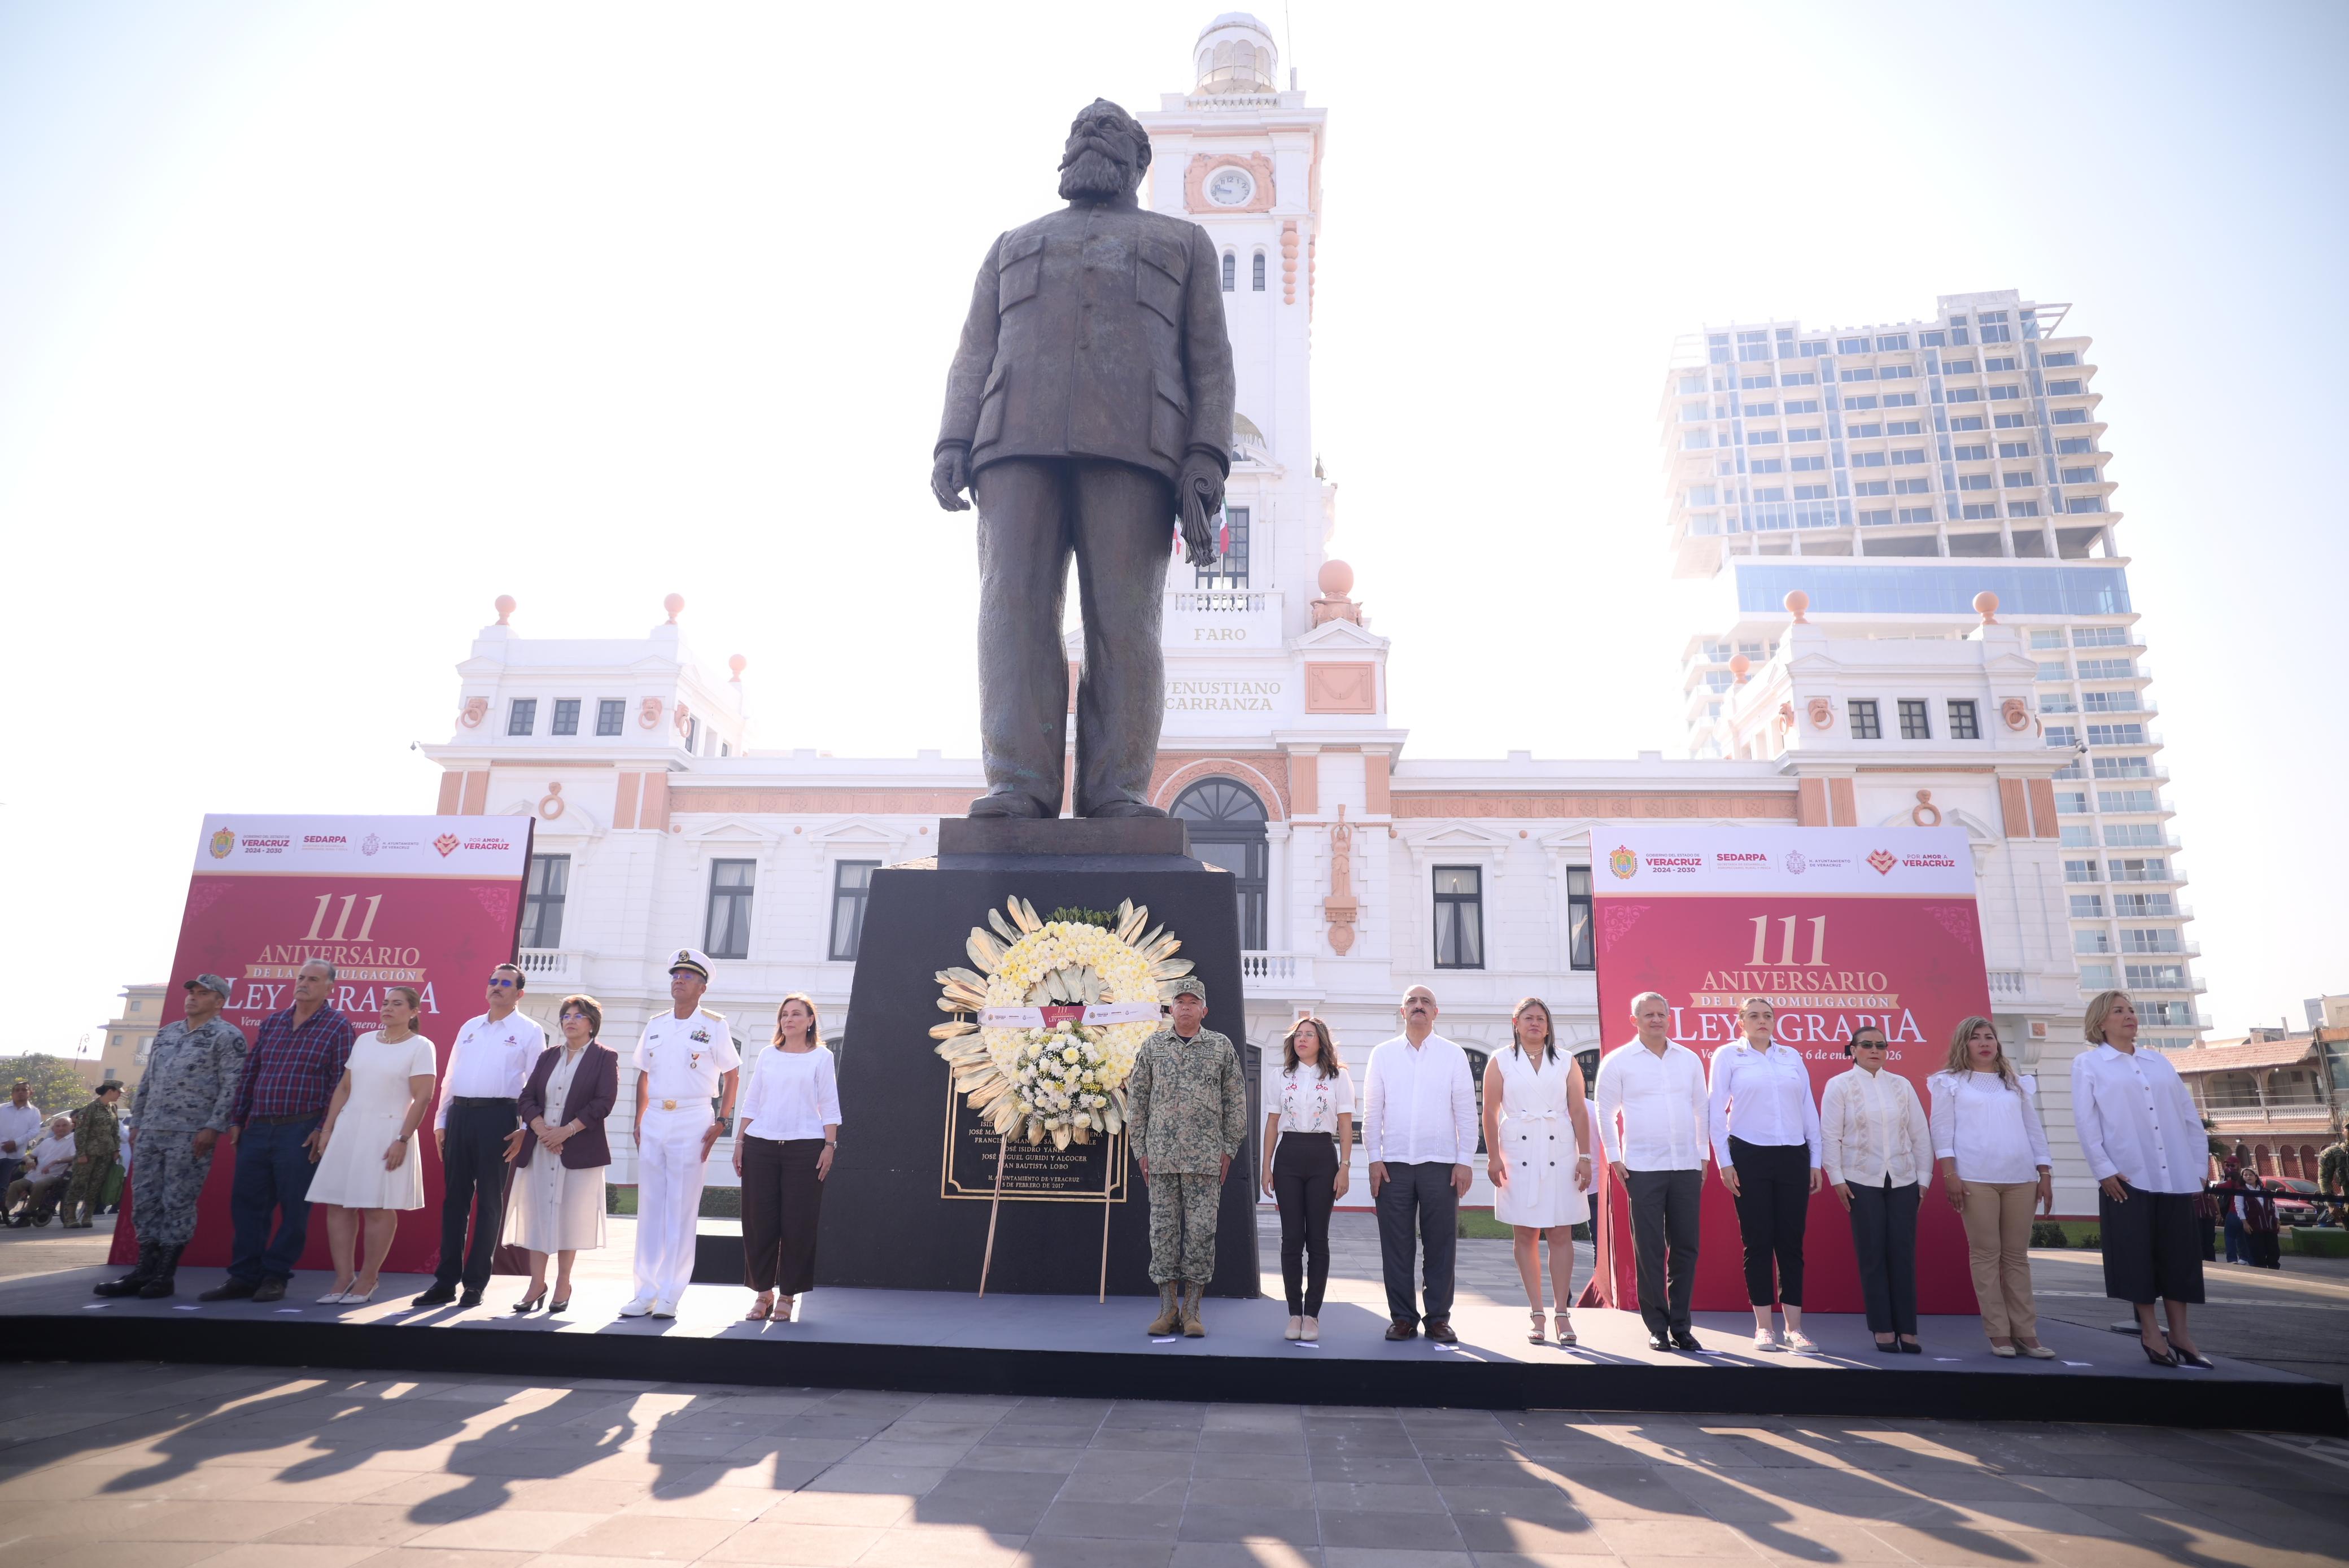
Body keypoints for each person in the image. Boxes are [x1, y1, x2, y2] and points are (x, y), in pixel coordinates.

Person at [929, 97, 1235, 820]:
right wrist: (952, 438)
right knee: (1012, 609)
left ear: (1137, 163)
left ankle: (1117, 790)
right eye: (1080, 132)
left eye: (1108, 133)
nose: (1090, 139)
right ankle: (1018, 782)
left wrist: (1206, 456)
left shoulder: (1184, 242)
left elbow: (1211, 363)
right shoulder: (1011, 243)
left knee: (1125, 623)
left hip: (1137, 450)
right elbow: (973, 350)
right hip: (1012, 445)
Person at [200, 959, 354, 1303]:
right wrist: (238, 1120)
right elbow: (251, 1072)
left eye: (313, 979)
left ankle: (275, 1276)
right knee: (248, 1206)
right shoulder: (273, 1022)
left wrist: (321, 1128)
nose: (304, 983)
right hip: (258, 1128)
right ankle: (243, 1276)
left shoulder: (338, 1027)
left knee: (294, 1210)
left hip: (301, 1130)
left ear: (330, 988)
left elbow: (340, 1084)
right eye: (301, 977)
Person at [2072, 990, 2212, 1368]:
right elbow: (2086, 1123)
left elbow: (2189, 1117)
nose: (2129, 1015)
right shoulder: (2089, 1064)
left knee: (2180, 1257)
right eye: (2119, 1010)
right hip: (2127, 1176)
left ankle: (2181, 1334)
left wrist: (2199, 1168)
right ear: (2101, 1021)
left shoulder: (2159, 1062)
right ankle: (2152, 1332)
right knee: (2137, 1257)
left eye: (2131, 1010)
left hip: (2176, 1175)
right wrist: (2103, 1169)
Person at [97, 975, 247, 1299]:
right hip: (151, 1129)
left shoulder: (227, 1036)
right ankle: (143, 1271)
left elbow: (232, 1086)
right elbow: (148, 1079)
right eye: (191, 993)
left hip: (191, 1132)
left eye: (202, 994)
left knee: (177, 1201)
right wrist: (137, 1121)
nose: (192, 998)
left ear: (220, 1001)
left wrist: (213, 1126)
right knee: (145, 1200)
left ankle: (164, 1275)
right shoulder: (167, 1033)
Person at [412, 965, 546, 1309]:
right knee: (454, 1202)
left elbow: (536, 1088)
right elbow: (451, 1076)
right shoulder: (470, 1027)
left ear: (520, 994)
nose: (497, 987)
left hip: (499, 1120)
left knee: (488, 1202)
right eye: (493, 982)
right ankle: (444, 1283)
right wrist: (441, 1121)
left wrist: (527, 1129)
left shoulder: (530, 1031)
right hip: (460, 1116)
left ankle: (475, 1284)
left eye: (506, 984)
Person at [1127, 977, 1248, 1336]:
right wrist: (1141, 1150)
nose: (1185, 1007)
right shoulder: (1152, 1048)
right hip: (1161, 1159)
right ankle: (1167, 1310)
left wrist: (1229, 1149)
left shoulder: (1221, 1048)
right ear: (1171, 1008)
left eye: (1192, 1002)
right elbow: (1137, 1102)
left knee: (1200, 1234)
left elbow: (1236, 1103)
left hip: (1206, 1161)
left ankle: (1192, 1311)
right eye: (1179, 1001)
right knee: (1162, 1233)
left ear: (1204, 1010)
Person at [1928, 1016, 2055, 1357]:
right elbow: (1941, 1130)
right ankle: (1998, 1332)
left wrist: (2044, 1173)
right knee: (1986, 1255)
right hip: (1974, 1179)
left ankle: (2026, 1333)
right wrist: (1949, 1174)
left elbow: (2034, 1130)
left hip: (2022, 1178)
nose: (1985, 1042)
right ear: (1964, 1044)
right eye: (1976, 1037)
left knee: (2017, 1257)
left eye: (1990, 1037)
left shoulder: (2016, 1083)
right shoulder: (1949, 1082)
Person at [624, 947, 740, 1319]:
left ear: (702, 986)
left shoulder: (715, 1024)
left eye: (688, 976)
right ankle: (645, 1291)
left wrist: (722, 1121)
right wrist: (641, 1119)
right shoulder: (656, 1023)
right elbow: (644, 1073)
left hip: (693, 1117)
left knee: (680, 1207)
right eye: (676, 974)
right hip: (656, 1116)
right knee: (651, 1206)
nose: (679, 980)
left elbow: (732, 1074)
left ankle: (672, 1291)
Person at [303, 986, 438, 1304]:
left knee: (377, 1206)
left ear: (414, 1011)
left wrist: (402, 1139)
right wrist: (328, 1129)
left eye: (397, 1004)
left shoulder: (421, 1046)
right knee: (337, 1204)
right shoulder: (364, 1041)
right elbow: (345, 1087)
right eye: (385, 1003)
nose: (388, 1008)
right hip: (349, 1129)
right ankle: (342, 1279)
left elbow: (424, 1097)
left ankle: (368, 1279)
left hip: (388, 1131)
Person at [1595, 992, 1711, 1352]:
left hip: (1686, 1166)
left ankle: (1682, 1325)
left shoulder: (1689, 1059)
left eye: (1662, 1014)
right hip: (1642, 1168)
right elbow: (1604, 1112)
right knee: (1649, 1248)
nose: (1656, 1020)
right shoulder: (1619, 1062)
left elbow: (1701, 1109)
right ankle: (1657, 1326)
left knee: (1686, 1248)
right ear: (1635, 1020)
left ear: (1669, 1018)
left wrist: (1703, 1155)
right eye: (1649, 1015)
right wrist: (1615, 1157)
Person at [1709, 997, 1825, 1353]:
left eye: (1768, 1016)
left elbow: (1808, 1107)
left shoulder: (1792, 1057)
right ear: (1741, 1021)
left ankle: (1795, 1328)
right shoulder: (1728, 1056)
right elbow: (1715, 1111)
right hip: (1748, 1155)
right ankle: (1764, 1327)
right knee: (1758, 1242)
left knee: (1791, 1243)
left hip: (1793, 1155)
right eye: (1754, 1016)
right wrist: (1724, 1162)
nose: (1763, 1021)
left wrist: (1815, 1159)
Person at [1363, 986, 1478, 1343]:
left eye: (1425, 1001)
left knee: (1441, 1245)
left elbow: (1465, 1112)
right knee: (1396, 1246)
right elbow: (1371, 1113)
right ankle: (1402, 1318)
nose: (1418, 1006)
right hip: (1393, 1165)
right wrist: (1374, 1159)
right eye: (1412, 1002)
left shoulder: (1454, 1055)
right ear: (1402, 1012)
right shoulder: (1382, 1055)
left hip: (1441, 1165)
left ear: (1435, 1012)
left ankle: (1439, 1319)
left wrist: (1464, 1162)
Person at [1482, 997, 1592, 1346]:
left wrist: (1586, 1155)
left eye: (1541, 1019)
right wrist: (1494, 1157)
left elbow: (1578, 1111)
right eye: (1528, 1018)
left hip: (1559, 1151)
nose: (1535, 1024)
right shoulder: (1500, 1061)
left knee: (1561, 1233)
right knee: (1526, 1235)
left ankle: (1562, 1312)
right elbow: (1489, 1111)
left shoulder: (1567, 1061)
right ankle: (1537, 1312)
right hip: (1518, 1152)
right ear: (1515, 1022)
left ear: (1548, 1025)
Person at [1822, 1024, 1931, 1353]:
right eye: (1866, 1044)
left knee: (1903, 1255)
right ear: (1852, 1050)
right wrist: (1837, 1178)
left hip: (1903, 1179)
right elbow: (1830, 1136)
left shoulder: (1901, 1085)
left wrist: (1923, 1180)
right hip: (1860, 1179)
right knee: (1872, 1255)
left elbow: (1920, 1135)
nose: (1874, 1050)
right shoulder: (1839, 1085)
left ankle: (1908, 1330)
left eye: (1881, 1045)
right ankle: (1883, 1328)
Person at [508, 993, 618, 1314]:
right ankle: (536, 1284)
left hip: (579, 1147)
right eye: (566, 1016)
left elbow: (603, 1103)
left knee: (570, 1217)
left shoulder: (604, 1057)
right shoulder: (547, 1056)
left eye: (578, 1016)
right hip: (542, 1148)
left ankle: (563, 1284)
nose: (570, 1021)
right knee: (537, 1216)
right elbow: (526, 1097)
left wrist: (566, 1131)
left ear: (592, 1023)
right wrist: (543, 1130)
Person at [734, 993, 841, 1324]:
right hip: (760, 1146)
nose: (789, 1019)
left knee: (798, 1224)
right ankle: (763, 1293)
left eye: (797, 1014)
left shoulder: (821, 1057)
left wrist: (829, 1146)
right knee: (758, 1223)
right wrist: (740, 1141)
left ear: (811, 1021)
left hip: (806, 1148)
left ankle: (788, 1295)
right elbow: (752, 1101)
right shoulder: (768, 1055)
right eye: (784, 1015)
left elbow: (829, 1103)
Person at [1259, 1015, 1353, 1342]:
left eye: (1309, 1035)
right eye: (1298, 1035)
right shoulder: (1279, 1076)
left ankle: (1312, 1315)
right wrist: (1266, 1165)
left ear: (1321, 1041)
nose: (1302, 1040)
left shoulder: (1339, 1078)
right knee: (1291, 1239)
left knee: (1317, 1239)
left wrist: (1345, 1166)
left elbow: (1344, 1125)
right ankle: (1294, 1313)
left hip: (1322, 1158)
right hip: (1288, 1156)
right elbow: (1272, 1122)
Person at [60, 1081, 125, 1229]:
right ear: (109, 1091)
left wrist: (116, 1150)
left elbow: (115, 1131)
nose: (120, 1095)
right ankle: (70, 1217)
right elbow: (81, 1133)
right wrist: (82, 1153)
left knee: (96, 1186)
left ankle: (88, 1217)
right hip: (88, 1154)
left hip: (105, 1154)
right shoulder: (89, 1109)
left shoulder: (112, 1108)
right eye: (118, 1092)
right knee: (79, 1185)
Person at [5, 1116, 76, 1226]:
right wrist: (29, 1161)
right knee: (15, 1185)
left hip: (57, 1175)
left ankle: (29, 1212)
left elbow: (75, 1156)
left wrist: (57, 1161)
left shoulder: (74, 1140)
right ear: (53, 1129)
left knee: (39, 1185)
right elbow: (29, 1156)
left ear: (72, 1126)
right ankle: (6, 1211)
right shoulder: (47, 1141)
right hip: (35, 1174)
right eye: (58, 1126)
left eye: (64, 1125)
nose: (61, 1128)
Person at [0, 1080, 42, 1193]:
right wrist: (5, 1144)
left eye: (24, 1090)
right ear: (12, 1094)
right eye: (17, 1090)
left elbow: (34, 1131)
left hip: (16, 1157)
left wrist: (15, 1143)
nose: (21, 1092)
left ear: (31, 1093)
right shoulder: (2, 1109)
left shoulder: (34, 1112)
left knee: (3, 1187)